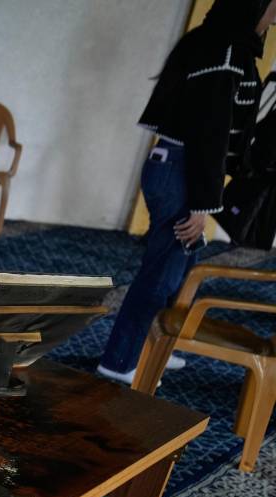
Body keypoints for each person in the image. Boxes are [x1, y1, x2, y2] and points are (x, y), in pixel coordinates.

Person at [97, 0, 276, 384]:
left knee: (182, 265)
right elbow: (209, 136)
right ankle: (120, 359)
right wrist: (201, 205)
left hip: (180, 166)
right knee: (161, 272)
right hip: (181, 167)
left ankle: (159, 343)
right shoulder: (225, 51)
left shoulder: (223, 44)